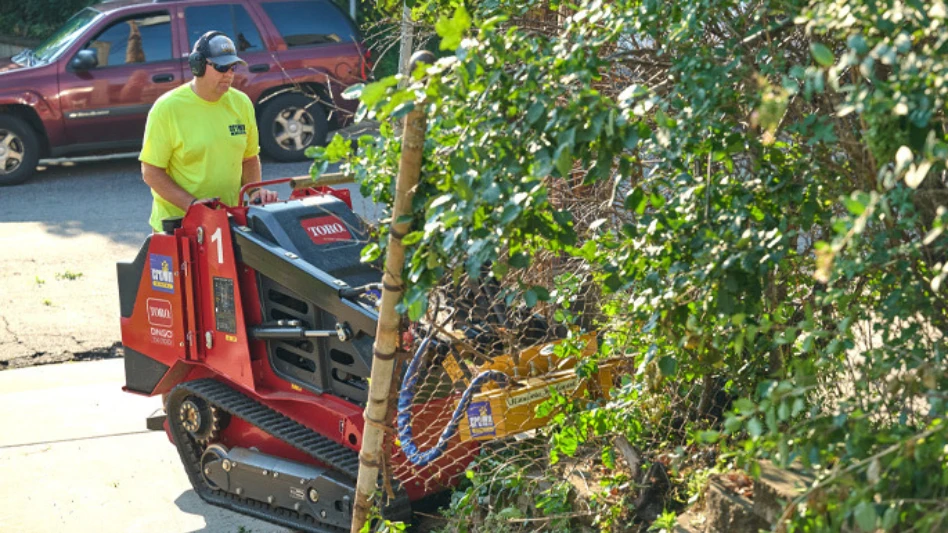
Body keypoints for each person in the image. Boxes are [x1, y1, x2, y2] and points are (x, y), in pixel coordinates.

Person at [140, 31, 277, 232]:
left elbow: (249, 158)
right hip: (177, 226)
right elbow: (151, 172)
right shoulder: (167, 108)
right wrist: (192, 204)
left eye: (233, 67)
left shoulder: (241, 103)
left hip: (226, 222)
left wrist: (255, 192)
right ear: (198, 65)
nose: (229, 74)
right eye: (221, 67)